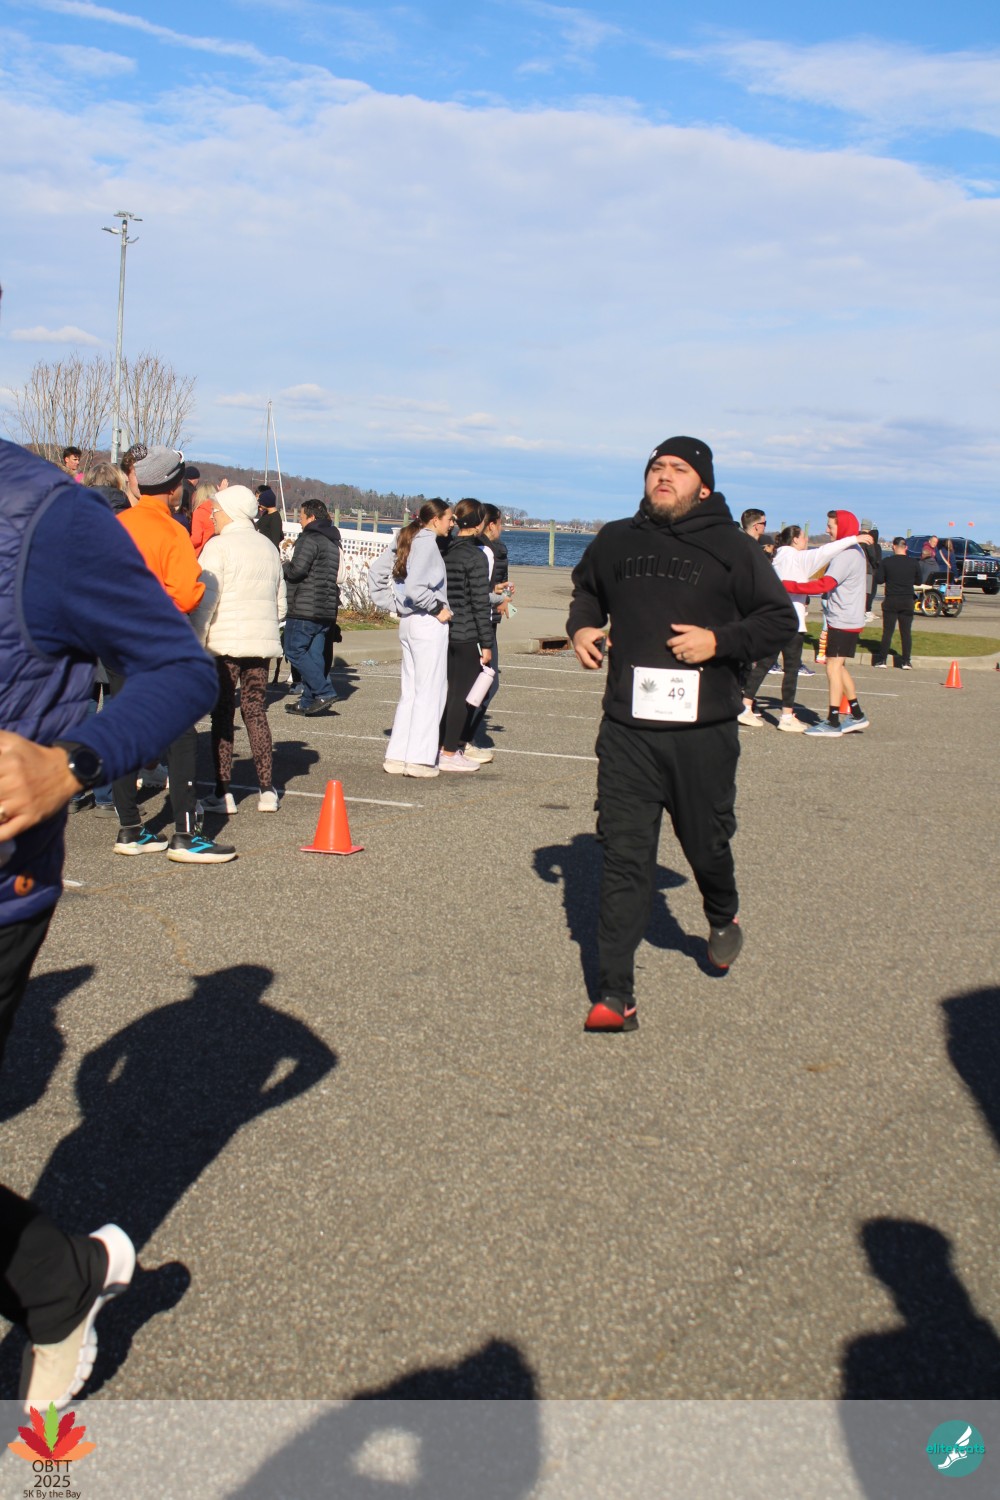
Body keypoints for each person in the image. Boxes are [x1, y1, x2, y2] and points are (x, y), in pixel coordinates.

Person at [0, 367, 218, 1409]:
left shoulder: (45, 521)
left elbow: (179, 668)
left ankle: (61, 1287)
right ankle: (65, 1281)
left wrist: (69, 766)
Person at [568, 436, 796, 1033]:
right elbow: (587, 590)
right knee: (624, 857)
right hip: (628, 731)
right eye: (656, 467)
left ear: (704, 486)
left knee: (706, 845)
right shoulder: (616, 539)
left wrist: (718, 641)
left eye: (679, 469)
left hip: (703, 733)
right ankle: (615, 994)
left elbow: (779, 618)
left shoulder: (733, 547)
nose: (664, 476)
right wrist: (583, 627)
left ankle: (722, 912)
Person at [109, 445, 234, 862]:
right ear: (173, 486)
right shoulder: (171, 530)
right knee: (181, 735)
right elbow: (185, 594)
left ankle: (130, 828)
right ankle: (185, 833)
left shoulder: (118, 525)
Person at [193, 486, 286, 813]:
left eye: (216, 511)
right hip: (259, 643)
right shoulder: (268, 547)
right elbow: (280, 603)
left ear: (230, 512)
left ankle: (223, 792)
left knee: (222, 713)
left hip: (225, 644)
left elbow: (205, 602)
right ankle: (267, 790)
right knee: (255, 710)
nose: (213, 517)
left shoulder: (217, 547)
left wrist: (196, 641)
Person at [740, 523, 874, 731]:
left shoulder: (777, 558)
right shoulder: (798, 558)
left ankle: (745, 706)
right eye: (804, 537)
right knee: (791, 670)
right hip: (792, 622)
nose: (806, 541)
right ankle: (787, 716)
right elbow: (825, 552)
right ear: (795, 540)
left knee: (764, 665)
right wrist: (854, 539)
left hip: (772, 620)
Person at [379, 500, 454, 778]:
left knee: (411, 692)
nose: (452, 524)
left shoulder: (406, 538)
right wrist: (437, 608)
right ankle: (420, 759)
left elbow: (376, 573)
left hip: (409, 622)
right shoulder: (426, 543)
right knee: (430, 691)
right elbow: (415, 588)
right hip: (427, 622)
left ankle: (398, 756)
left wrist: (393, 604)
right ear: (435, 520)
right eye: (449, 518)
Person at [788, 510, 870, 738]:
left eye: (830, 526)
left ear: (842, 527)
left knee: (832, 666)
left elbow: (824, 584)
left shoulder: (847, 554)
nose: (826, 530)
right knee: (839, 666)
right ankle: (856, 714)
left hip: (844, 619)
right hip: (846, 618)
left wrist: (789, 586)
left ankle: (833, 721)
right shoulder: (853, 550)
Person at [439, 499, 493, 773]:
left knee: (446, 693)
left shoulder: (445, 549)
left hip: (443, 630)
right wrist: (487, 643)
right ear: (480, 523)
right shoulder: (476, 556)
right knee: (463, 696)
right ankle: (450, 751)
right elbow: (480, 604)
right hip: (467, 632)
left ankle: (440, 745)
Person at [282, 500, 341, 717]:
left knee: (293, 650)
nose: (299, 521)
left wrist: (284, 565)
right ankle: (307, 700)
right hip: (326, 608)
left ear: (312, 518)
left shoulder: (309, 538)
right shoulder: (332, 541)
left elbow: (297, 571)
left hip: (305, 607)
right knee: (314, 656)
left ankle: (324, 691)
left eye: (301, 517)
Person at [467, 503, 513, 759]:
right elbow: (474, 590)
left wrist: (501, 594)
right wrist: (496, 596)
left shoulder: (497, 550)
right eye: (500, 523)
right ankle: (460, 739)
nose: (502, 529)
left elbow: (490, 584)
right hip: (476, 622)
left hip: (489, 619)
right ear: (491, 524)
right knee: (485, 683)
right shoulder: (480, 550)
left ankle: (462, 738)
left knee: (486, 682)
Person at [872, 538, 921, 669]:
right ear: (906, 548)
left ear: (893, 547)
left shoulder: (887, 562)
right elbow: (919, 581)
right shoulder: (913, 562)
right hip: (907, 599)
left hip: (891, 599)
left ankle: (882, 660)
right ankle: (906, 661)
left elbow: (879, 580)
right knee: (906, 632)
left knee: (888, 631)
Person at [190, 480, 220, 555]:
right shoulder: (219, 510)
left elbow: (196, 539)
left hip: (202, 552)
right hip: (217, 549)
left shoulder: (199, 512)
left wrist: (184, 544)